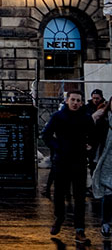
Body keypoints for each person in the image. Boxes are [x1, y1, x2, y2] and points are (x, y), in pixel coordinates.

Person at [42, 90, 95, 241]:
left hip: (79, 161)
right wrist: (57, 147)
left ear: (82, 102)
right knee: (59, 194)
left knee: (79, 196)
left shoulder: (86, 118)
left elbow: (93, 135)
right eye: (73, 100)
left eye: (78, 100)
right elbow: (46, 134)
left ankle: (79, 229)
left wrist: (90, 146)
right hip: (62, 161)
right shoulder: (58, 117)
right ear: (67, 101)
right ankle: (59, 218)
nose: (75, 103)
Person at [91, 103, 112, 239]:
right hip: (106, 159)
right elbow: (95, 136)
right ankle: (106, 222)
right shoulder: (104, 120)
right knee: (108, 191)